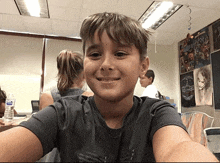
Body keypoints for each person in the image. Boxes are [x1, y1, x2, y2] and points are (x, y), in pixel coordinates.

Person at [0, 12, 218, 162]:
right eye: (95, 54)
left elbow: (178, 147)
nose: (105, 64)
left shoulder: (156, 113)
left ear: (143, 66)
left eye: (120, 53)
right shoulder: (64, 113)